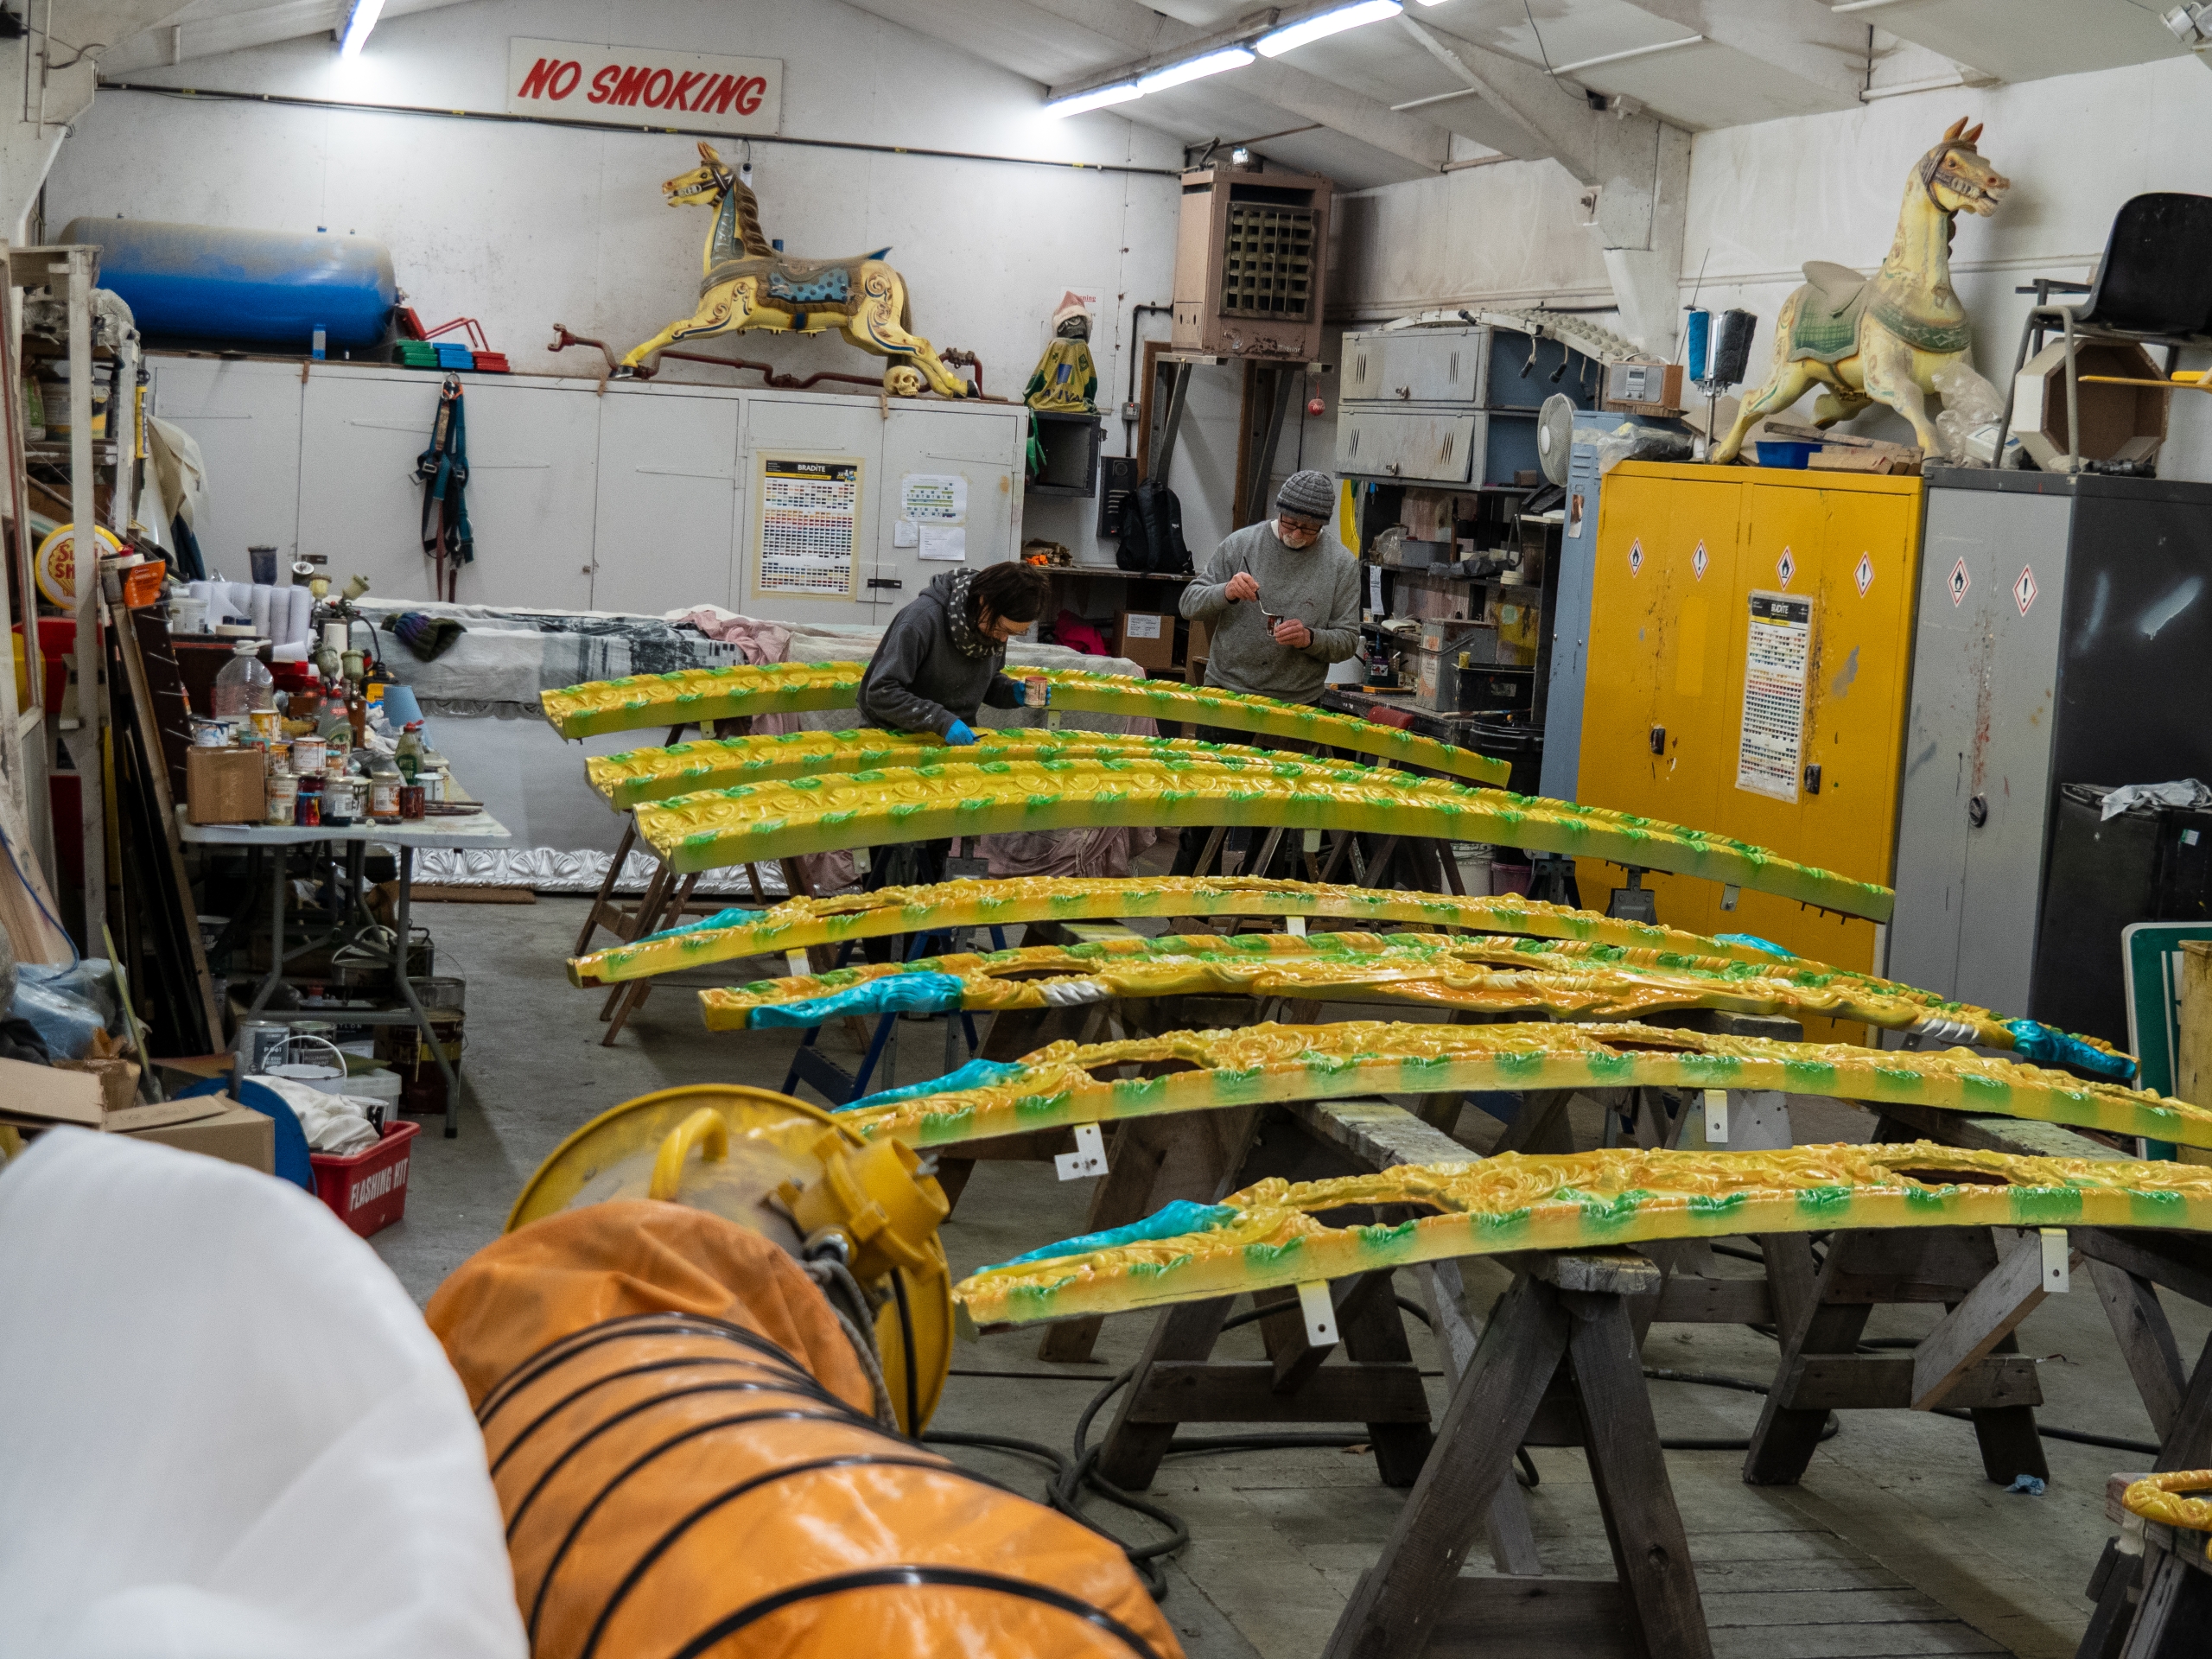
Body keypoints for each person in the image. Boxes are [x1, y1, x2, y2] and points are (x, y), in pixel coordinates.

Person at [1173, 468, 1361, 877]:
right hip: (1227, 696)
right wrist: (1225, 592)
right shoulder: (1241, 544)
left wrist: (1310, 639)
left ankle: (1258, 900)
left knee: (1274, 814)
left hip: (1293, 706)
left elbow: (1348, 640)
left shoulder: (1341, 565)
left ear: (1323, 526)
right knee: (1205, 802)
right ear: (1279, 512)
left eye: (1308, 529)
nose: (1296, 533)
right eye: (1290, 522)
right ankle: (1187, 891)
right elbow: (1188, 604)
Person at [855, 561, 1054, 892]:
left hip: (945, 754)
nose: (1003, 638)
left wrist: (1013, 692)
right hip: (895, 750)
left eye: (1012, 634)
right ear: (984, 601)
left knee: (934, 856)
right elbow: (880, 691)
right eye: (1003, 629)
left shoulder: (989, 629)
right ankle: (881, 922)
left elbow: (985, 683)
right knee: (889, 866)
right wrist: (942, 720)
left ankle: (929, 924)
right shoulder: (922, 619)